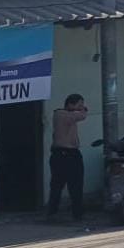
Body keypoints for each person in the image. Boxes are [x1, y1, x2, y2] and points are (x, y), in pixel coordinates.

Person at [47, 93, 88, 222]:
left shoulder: (69, 115)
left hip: (70, 153)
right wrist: (83, 110)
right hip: (63, 154)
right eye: (79, 105)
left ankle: (77, 213)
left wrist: (79, 109)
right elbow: (82, 115)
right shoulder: (61, 114)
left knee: (75, 186)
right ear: (70, 104)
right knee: (58, 185)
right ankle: (52, 212)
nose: (81, 107)